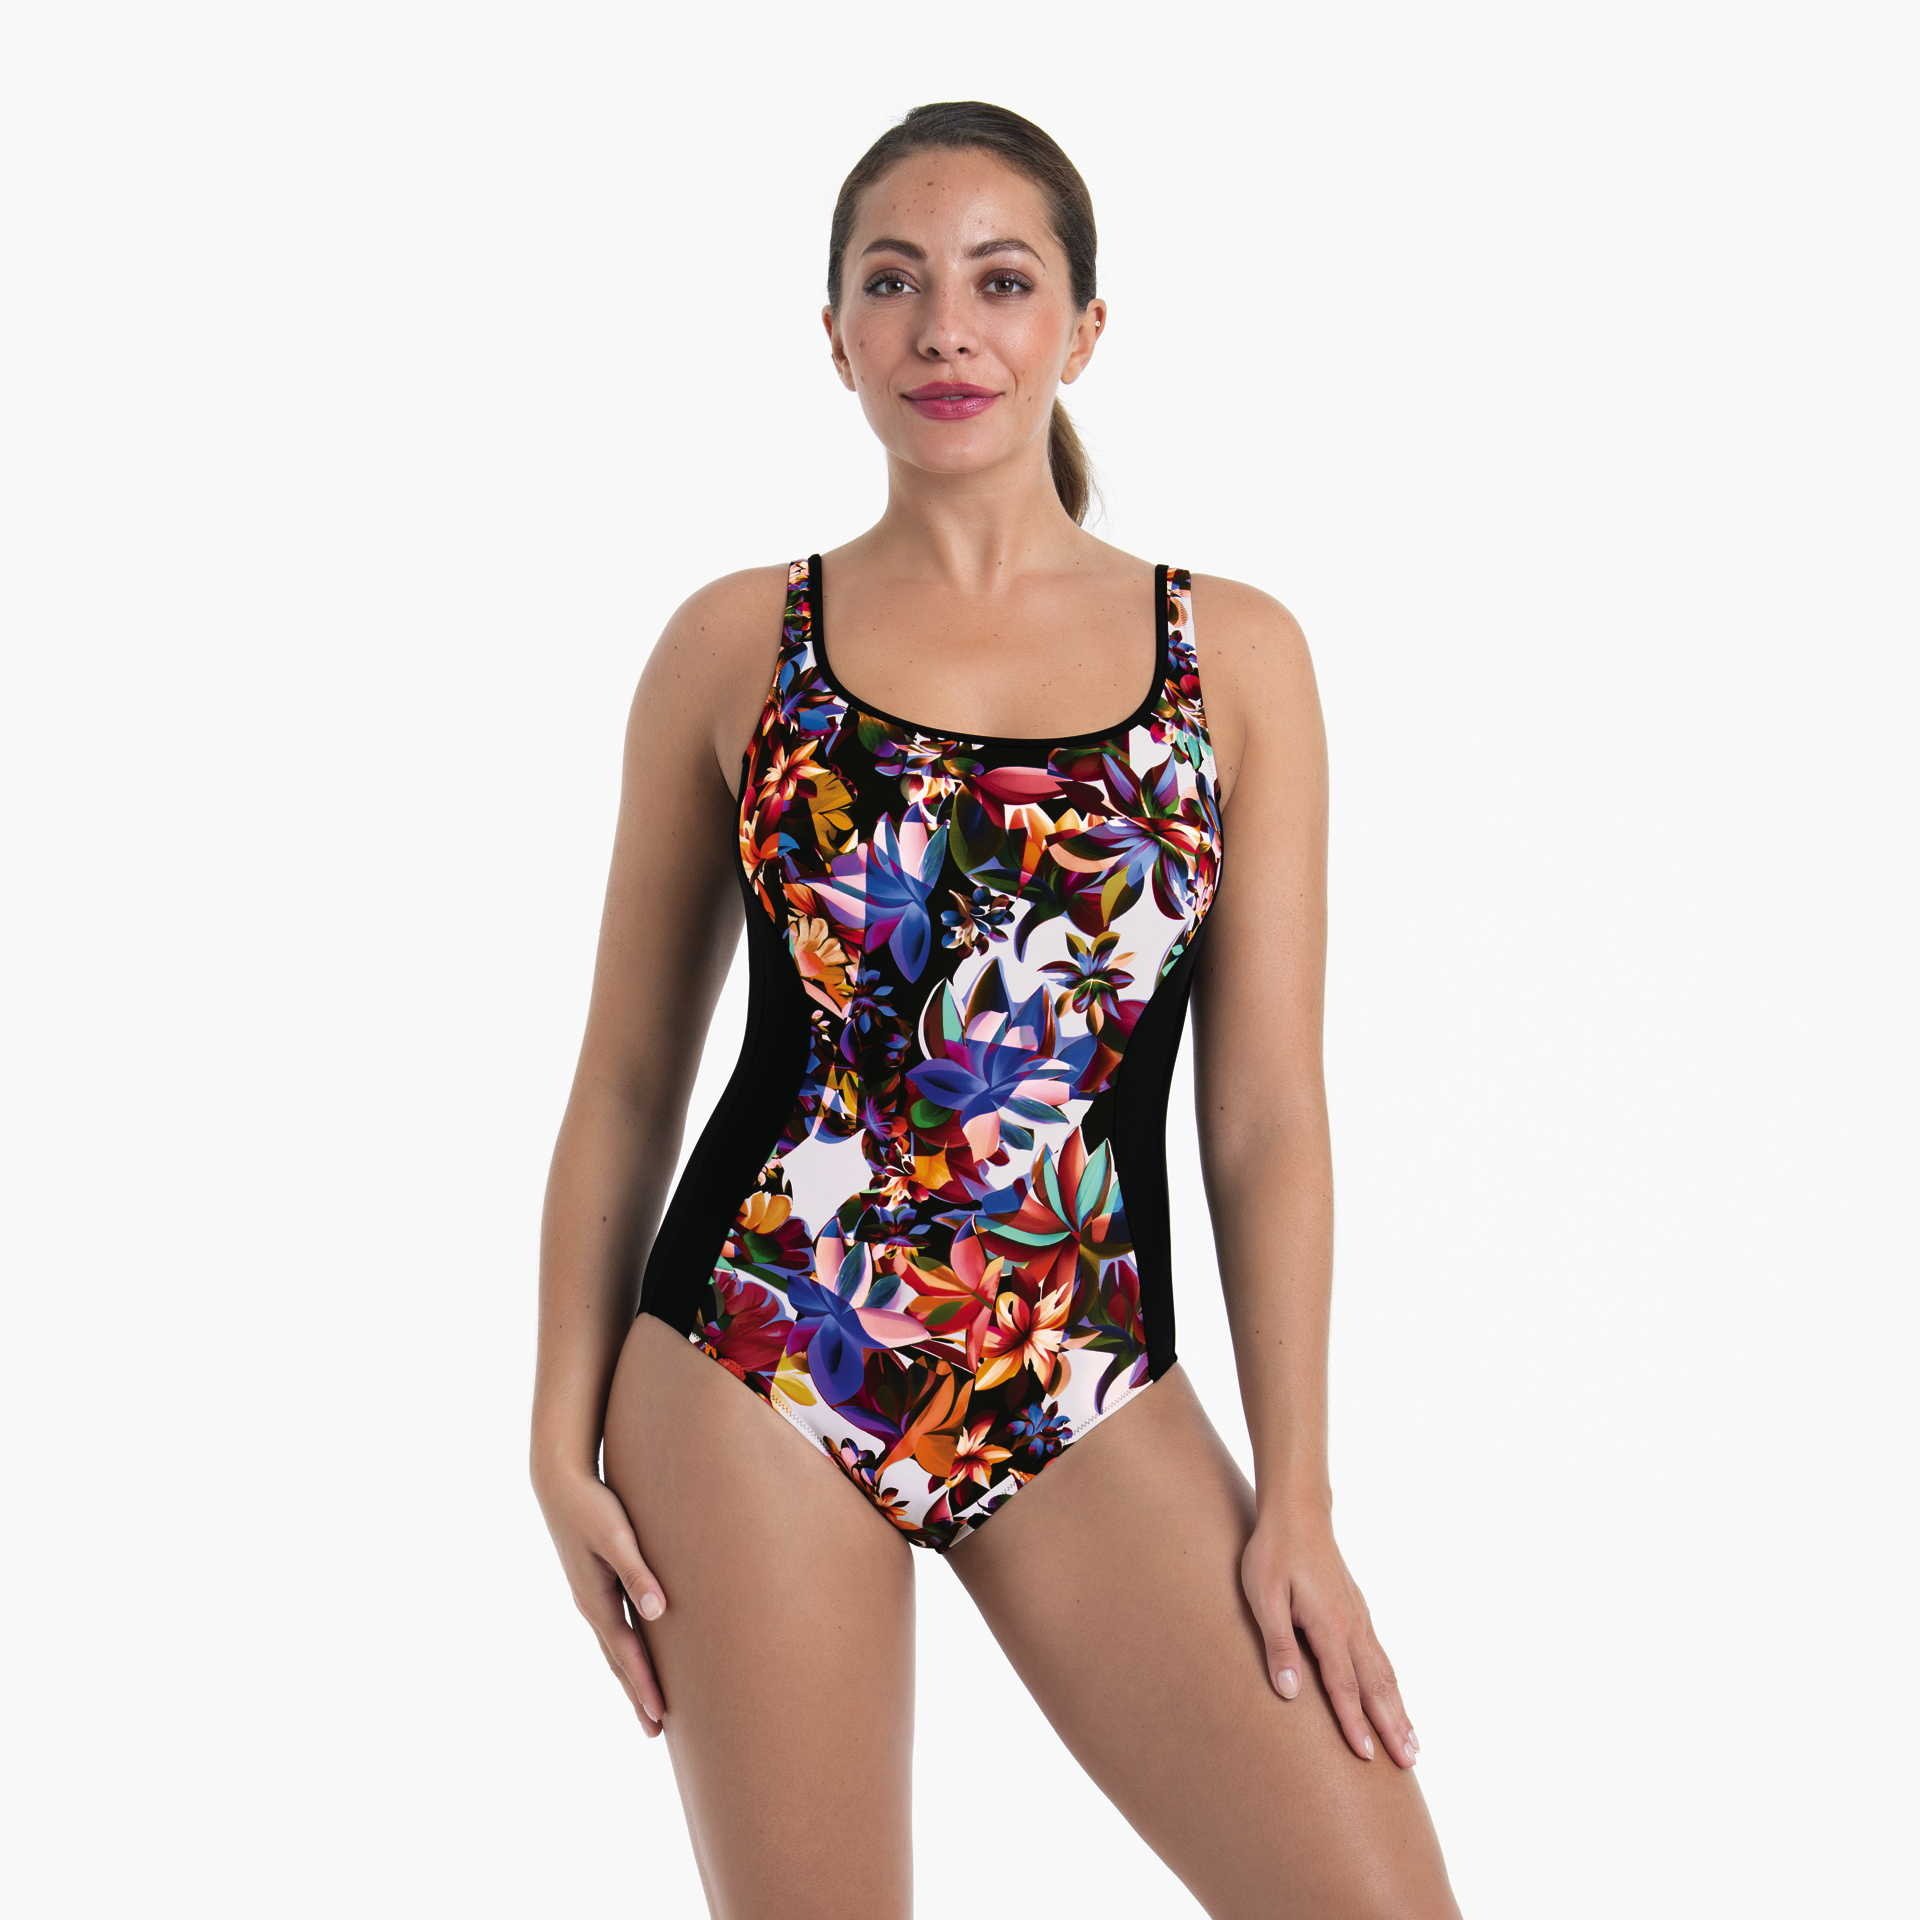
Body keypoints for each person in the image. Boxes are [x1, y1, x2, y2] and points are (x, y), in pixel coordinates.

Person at [531, 100, 1464, 1919]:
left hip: (1078, 1363)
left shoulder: (1232, 656)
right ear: (835, 336)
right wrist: (556, 1437)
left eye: (1001, 281)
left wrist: (1298, 1498)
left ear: (1083, 330)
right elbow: (629, 1076)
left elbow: (1265, 1118)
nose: (945, 328)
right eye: (894, 283)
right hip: (756, 1354)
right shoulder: (736, 645)